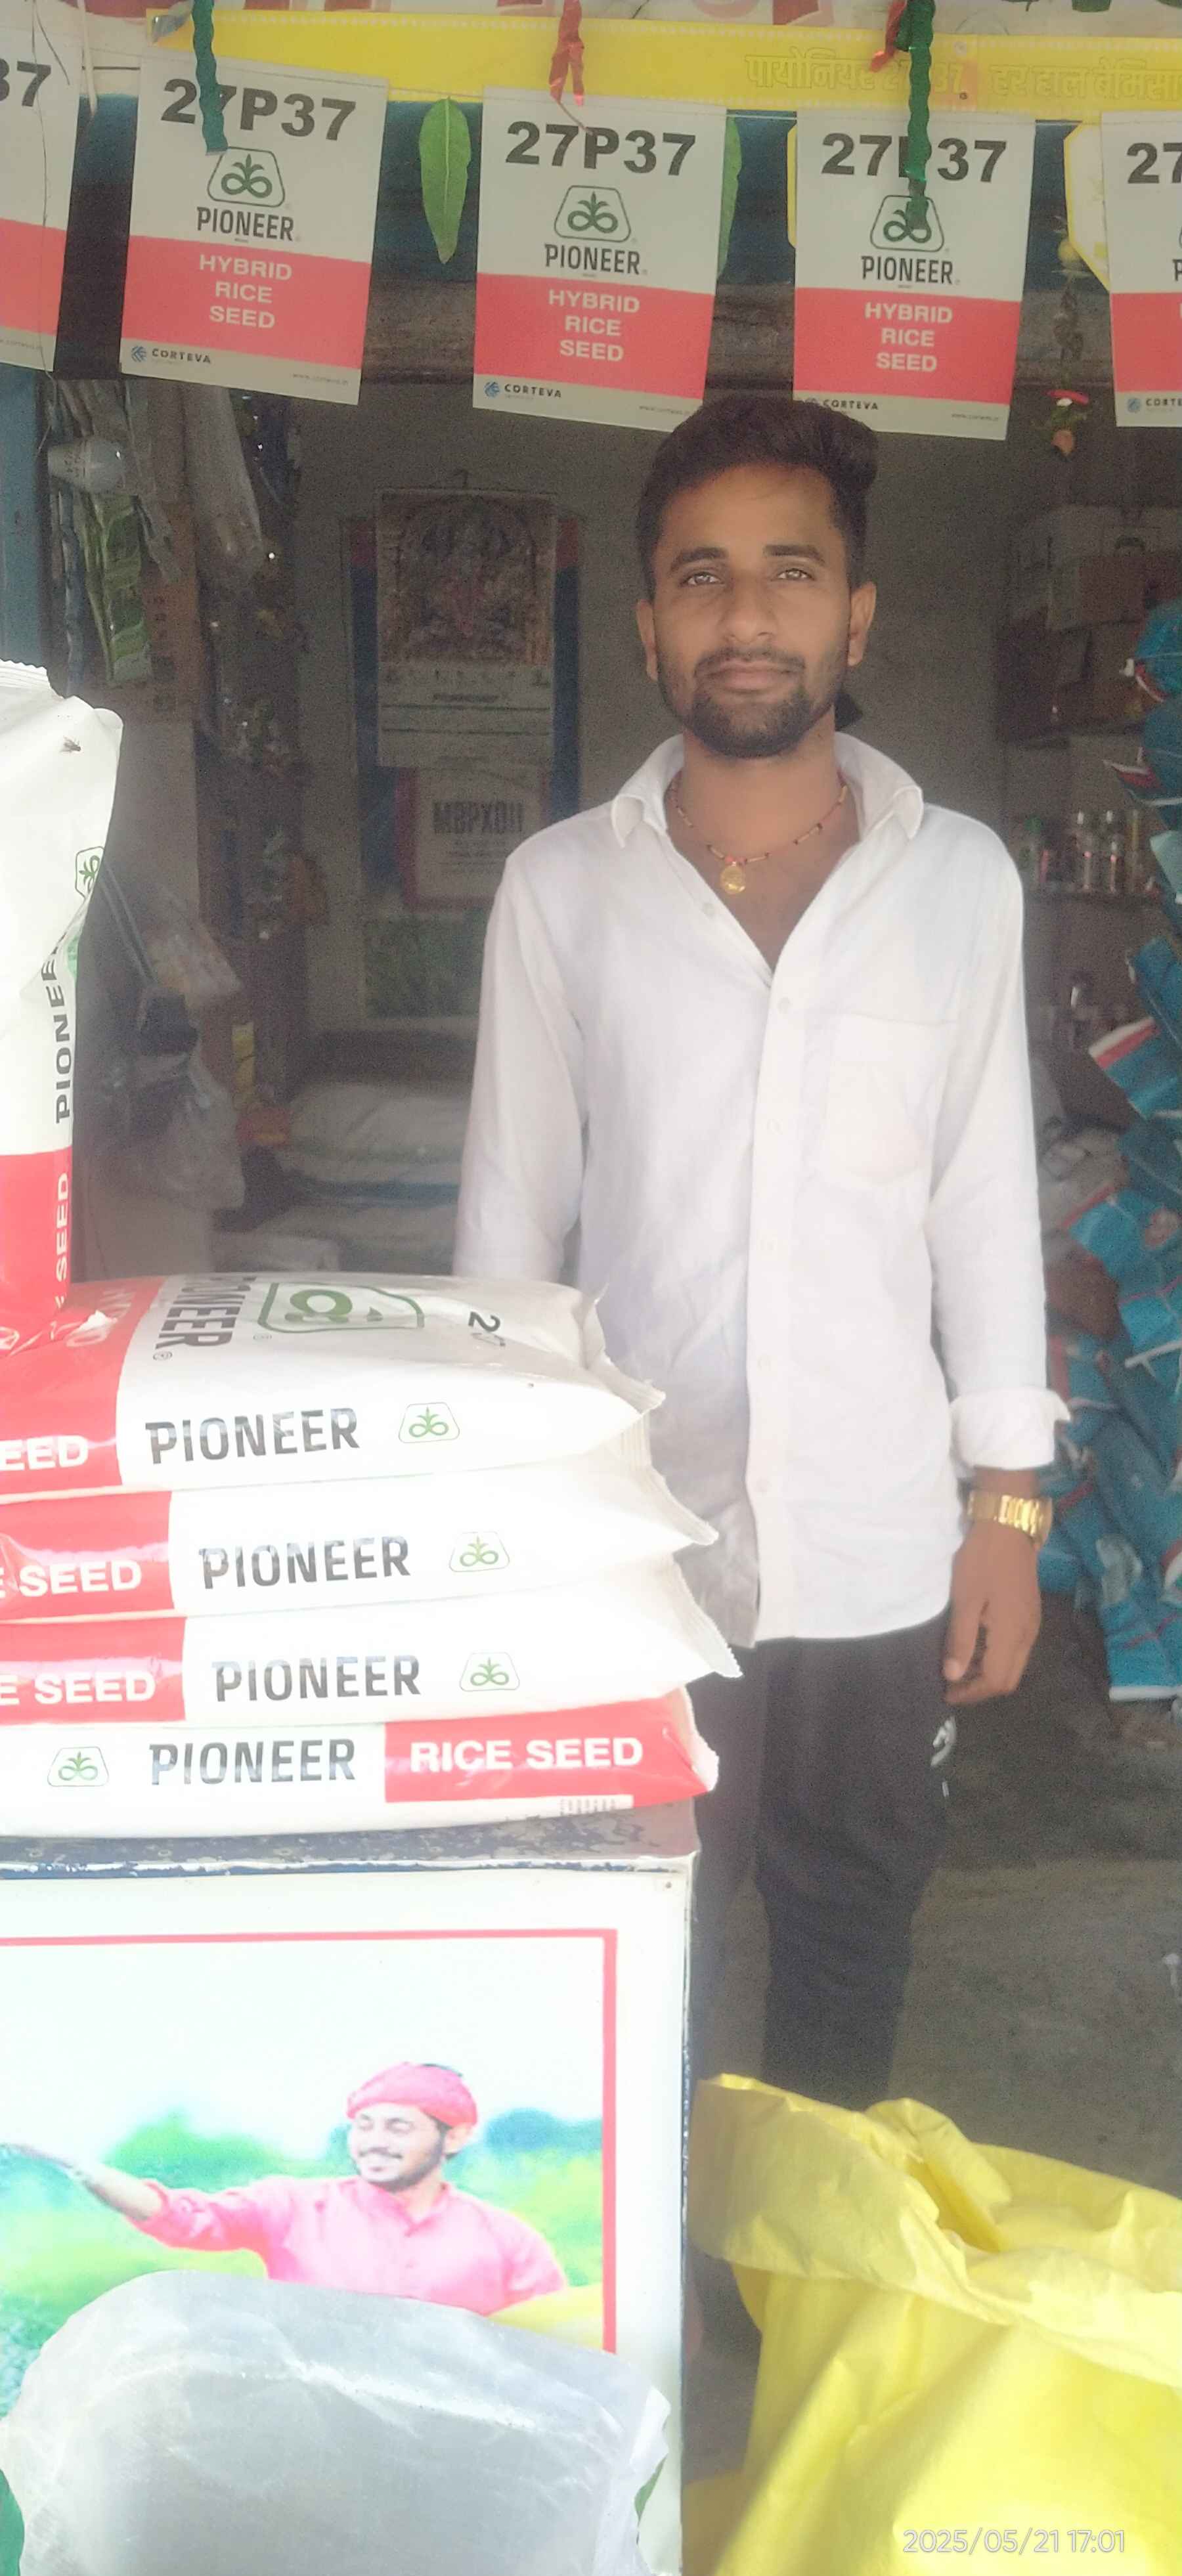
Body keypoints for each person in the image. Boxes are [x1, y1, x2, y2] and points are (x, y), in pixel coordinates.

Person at [454, 394, 1063, 2112]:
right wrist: (504, 1528)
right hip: (634, 1551)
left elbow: (982, 1201)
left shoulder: (960, 885)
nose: (745, 615)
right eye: (700, 575)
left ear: (854, 617)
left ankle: (801, 2259)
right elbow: (508, 1232)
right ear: (648, 624)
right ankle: (652, 2258)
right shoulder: (561, 892)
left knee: (852, 1951)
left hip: (877, 1549)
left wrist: (1009, 1508)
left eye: (790, 573)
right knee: (638, 1952)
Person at [11, 2061, 565, 2315]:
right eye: (364, 2126)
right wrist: (78, 2165)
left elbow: (556, 2349)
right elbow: (182, 2218)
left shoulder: (507, 2240)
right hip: (313, 2440)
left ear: (455, 2137)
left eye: (399, 2128)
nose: (375, 2143)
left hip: (455, 2455)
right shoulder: (294, 2207)